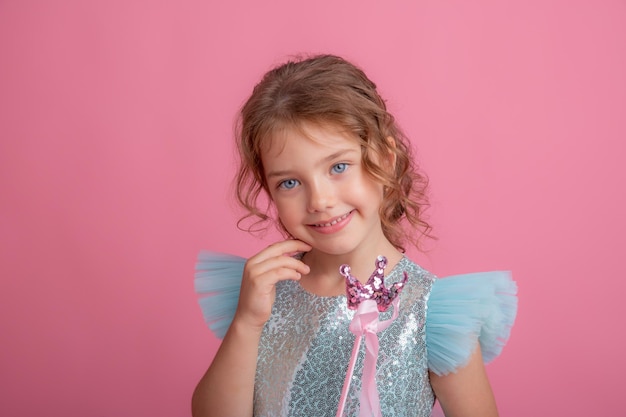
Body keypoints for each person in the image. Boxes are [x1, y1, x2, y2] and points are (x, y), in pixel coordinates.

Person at [192, 54, 517, 417]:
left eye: (338, 167)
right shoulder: (264, 295)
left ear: (385, 158)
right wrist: (247, 322)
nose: (320, 201)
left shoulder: (429, 313)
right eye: (289, 182)